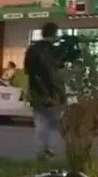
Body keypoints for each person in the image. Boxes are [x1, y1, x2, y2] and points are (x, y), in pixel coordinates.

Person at [23, 22, 68, 161]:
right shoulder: (56, 51)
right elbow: (60, 74)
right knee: (54, 124)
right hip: (53, 93)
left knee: (40, 123)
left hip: (36, 92)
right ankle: (50, 150)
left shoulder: (32, 50)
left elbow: (27, 73)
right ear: (54, 34)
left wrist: (27, 91)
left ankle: (40, 151)